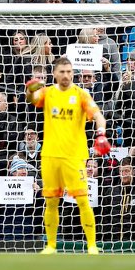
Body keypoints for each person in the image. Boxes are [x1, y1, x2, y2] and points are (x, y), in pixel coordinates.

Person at [25, 56, 109, 254]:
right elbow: (31, 99)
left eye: (69, 72)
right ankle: (51, 245)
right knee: (51, 202)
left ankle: (92, 245)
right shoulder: (48, 93)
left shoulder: (81, 95)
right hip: (50, 156)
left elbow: (98, 116)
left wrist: (101, 135)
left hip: (74, 156)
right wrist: (30, 89)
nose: (66, 75)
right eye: (62, 72)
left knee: (82, 200)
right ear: (54, 74)